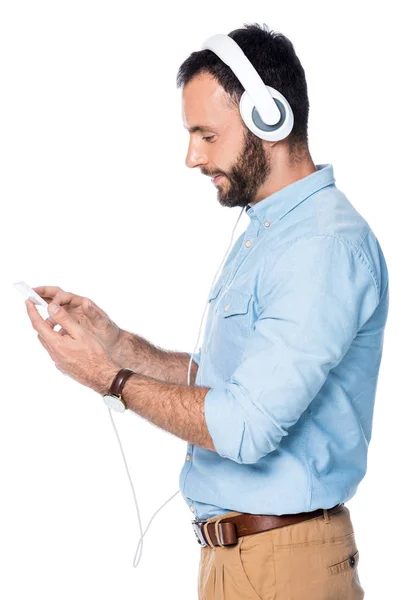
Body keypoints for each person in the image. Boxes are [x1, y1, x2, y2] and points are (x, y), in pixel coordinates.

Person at [25, 22, 389, 600]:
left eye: (206, 134)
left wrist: (109, 379)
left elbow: (245, 429)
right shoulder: (274, 234)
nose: (191, 156)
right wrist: (116, 343)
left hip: (282, 567)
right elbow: (227, 385)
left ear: (270, 118)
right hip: (243, 558)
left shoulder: (321, 246)